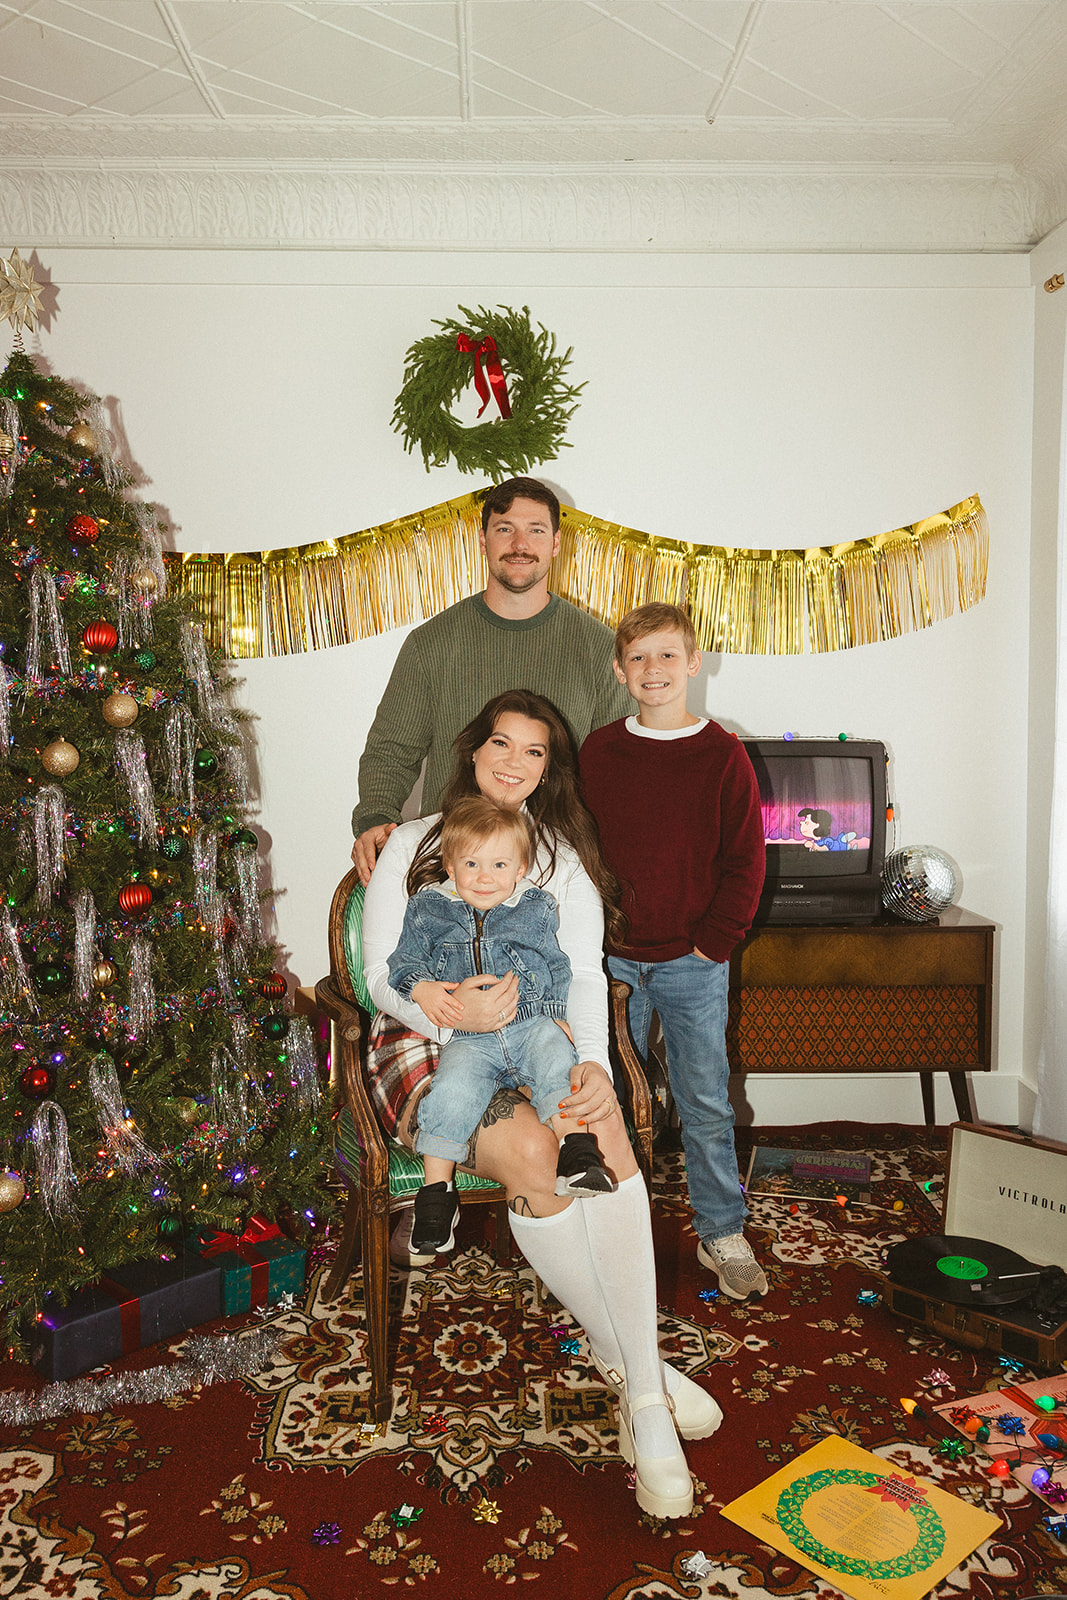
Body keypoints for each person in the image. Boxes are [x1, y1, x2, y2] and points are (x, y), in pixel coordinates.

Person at [363, 690, 722, 1519]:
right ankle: (645, 1375)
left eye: (534, 751)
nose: (514, 762)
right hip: (427, 1035)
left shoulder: (556, 856)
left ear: (548, 770)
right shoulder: (414, 841)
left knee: (597, 1130)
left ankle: (638, 1401)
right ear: (473, 748)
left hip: (539, 1031)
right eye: (501, 743)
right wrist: (448, 1008)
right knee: (534, 1160)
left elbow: (586, 974)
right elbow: (380, 973)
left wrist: (594, 1066)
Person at [579, 603, 769, 1301]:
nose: (652, 669)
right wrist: (588, 939)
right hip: (610, 961)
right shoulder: (597, 752)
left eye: (667, 655)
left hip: (693, 961)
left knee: (704, 1100)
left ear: (694, 662)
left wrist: (712, 942)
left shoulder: (723, 754)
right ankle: (603, 1226)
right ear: (619, 670)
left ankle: (721, 1230)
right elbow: (572, 849)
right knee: (602, 1097)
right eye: (638, 657)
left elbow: (746, 860)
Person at [351, 476, 629, 882]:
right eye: (505, 529)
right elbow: (390, 751)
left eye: (536, 530)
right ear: (483, 541)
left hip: (558, 873)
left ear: (555, 544)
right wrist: (375, 820)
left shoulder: (601, 648)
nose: (520, 544)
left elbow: (618, 773)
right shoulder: (431, 644)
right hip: (452, 872)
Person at [386, 794, 615, 1255]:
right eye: (470, 864)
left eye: (498, 865)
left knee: (557, 1064)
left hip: (531, 1024)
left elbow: (557, 964)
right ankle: (436, 1194)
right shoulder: (429, 909)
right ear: (450, 867)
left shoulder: (535, 907)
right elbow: (402, 961)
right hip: (470, 1036)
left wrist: (559, 1016)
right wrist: (423, 989)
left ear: (520, 868)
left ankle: (576, 1152)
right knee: (450, 1089)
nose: (484, 877)